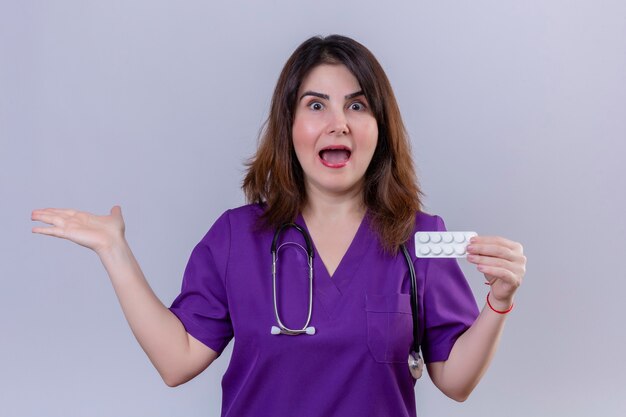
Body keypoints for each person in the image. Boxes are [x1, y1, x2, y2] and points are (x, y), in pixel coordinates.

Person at [31, 35, 526, 417]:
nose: (339, 123)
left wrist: (498, 300)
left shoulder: (417, 239)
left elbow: (455, 381)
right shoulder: (235, 238)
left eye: (357, 105)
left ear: (381, 127)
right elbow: (176, 360)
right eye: (316, 105)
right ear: (289, 127)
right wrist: (115, 252)